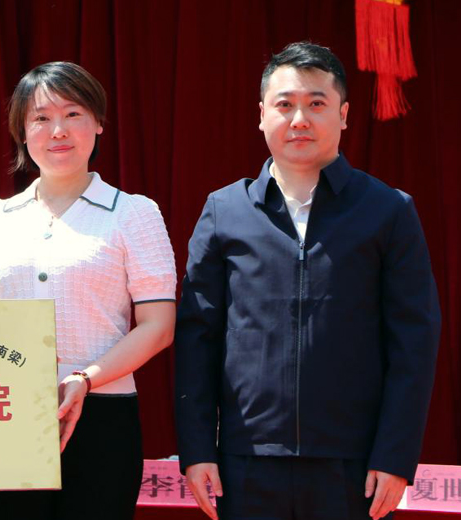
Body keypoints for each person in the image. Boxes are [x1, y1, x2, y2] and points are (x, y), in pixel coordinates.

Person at [175, 42, 441, 520]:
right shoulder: (225, 211)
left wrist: (394, 456)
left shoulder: (388, 211)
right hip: (245, 461)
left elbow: (413, 342)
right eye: (285, 104)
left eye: (316, 103)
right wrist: (197, 449)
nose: (299, 119)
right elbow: (197, 338)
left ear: (343, 114)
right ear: (261, 115)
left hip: (353, 465)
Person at [0, 61, 176, 520]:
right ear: (22, 131)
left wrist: (85, 378)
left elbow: (158, 326)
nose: (58, 131)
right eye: (41, 118)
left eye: (73, 114)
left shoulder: (134, 214)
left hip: (103, 414)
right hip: (7, 415)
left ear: (98, 122)